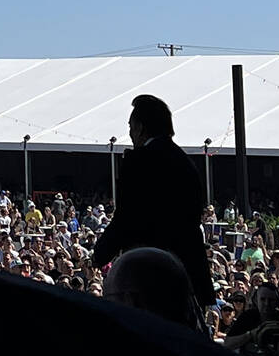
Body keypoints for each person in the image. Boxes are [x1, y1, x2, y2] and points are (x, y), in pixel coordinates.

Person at [93, 95, 216, 305]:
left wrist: (100, 254)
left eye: (131, 126)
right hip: (187, 266)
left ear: (140, 127)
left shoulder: (139, 161)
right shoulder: (186, 162)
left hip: (148, 269)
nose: (129, 132)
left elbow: (127, 217)